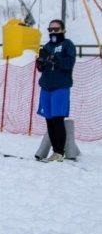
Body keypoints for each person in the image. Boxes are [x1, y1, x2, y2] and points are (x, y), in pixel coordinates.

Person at [35, 19, 76, 163]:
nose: (53, 32)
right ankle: (55, 152)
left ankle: (59, 152)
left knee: (58, 120)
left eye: (56, 29)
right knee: (49, 120)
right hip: (46, 87)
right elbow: (42, 68)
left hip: (60, 87)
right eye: (50, 30)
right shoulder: (47, 46)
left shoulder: (67, 44)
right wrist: (40, 63)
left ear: (63, 30)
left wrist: (54, 59)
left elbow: (69, 64)